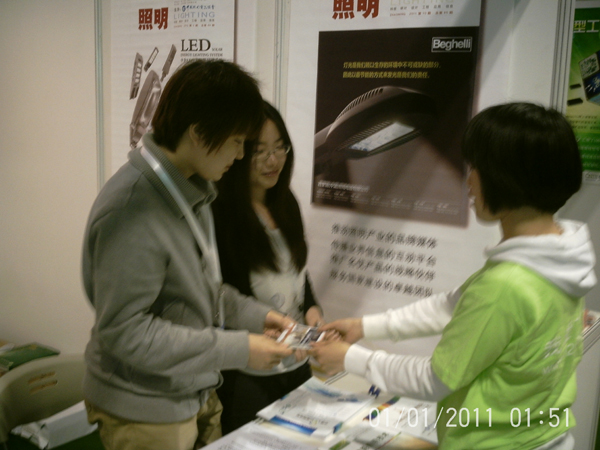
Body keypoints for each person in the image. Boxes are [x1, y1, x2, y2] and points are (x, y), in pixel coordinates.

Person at [310, 102, 597, 450]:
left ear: (506, 177)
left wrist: (349, 358)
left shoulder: (506, 285)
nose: (468, 179)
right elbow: (451, 306)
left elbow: (435, 379)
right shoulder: (561, 258)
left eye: (476, 167)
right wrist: (364, 327)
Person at [81, 60, 294, 450]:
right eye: (237, 141)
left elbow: (200, 291)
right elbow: (125, 332)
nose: (242, 154)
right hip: (144, 408)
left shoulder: (190, 190)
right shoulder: (131, 210)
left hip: (193, 391)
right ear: (198, 133)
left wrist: (259, 317)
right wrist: (240, 349)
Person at [212, 101, 324, 434]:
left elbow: (296, 273)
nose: (272, 160)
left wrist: (313, 311)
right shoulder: (222, 215)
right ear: (238, 153)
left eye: (279, 148)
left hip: (296, 363)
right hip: (250, 373)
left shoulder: (286, 202)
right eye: (259, 151)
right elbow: (222, 299)